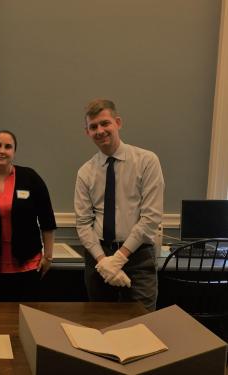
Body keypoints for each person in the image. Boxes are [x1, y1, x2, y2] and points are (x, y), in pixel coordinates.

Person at [74, 99, 164, 311]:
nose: (100, 130)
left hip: (138, 257)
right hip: (99, 257)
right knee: (101, 324)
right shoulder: (85, 172)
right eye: (93, 126)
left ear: (118, 122)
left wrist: (119, 259)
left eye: (105, 123)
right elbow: (83, 223)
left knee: (141, 324)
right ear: (87, 132)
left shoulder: (147, 161)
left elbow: (151, 217)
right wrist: (104, 262)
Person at [0, 130, 56, 301]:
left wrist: (48, 256)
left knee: (25, 319)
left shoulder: (30, 178)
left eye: (8, 146)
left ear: (14, 152)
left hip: (27, 266)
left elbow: (47, 220)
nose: (2, 150)